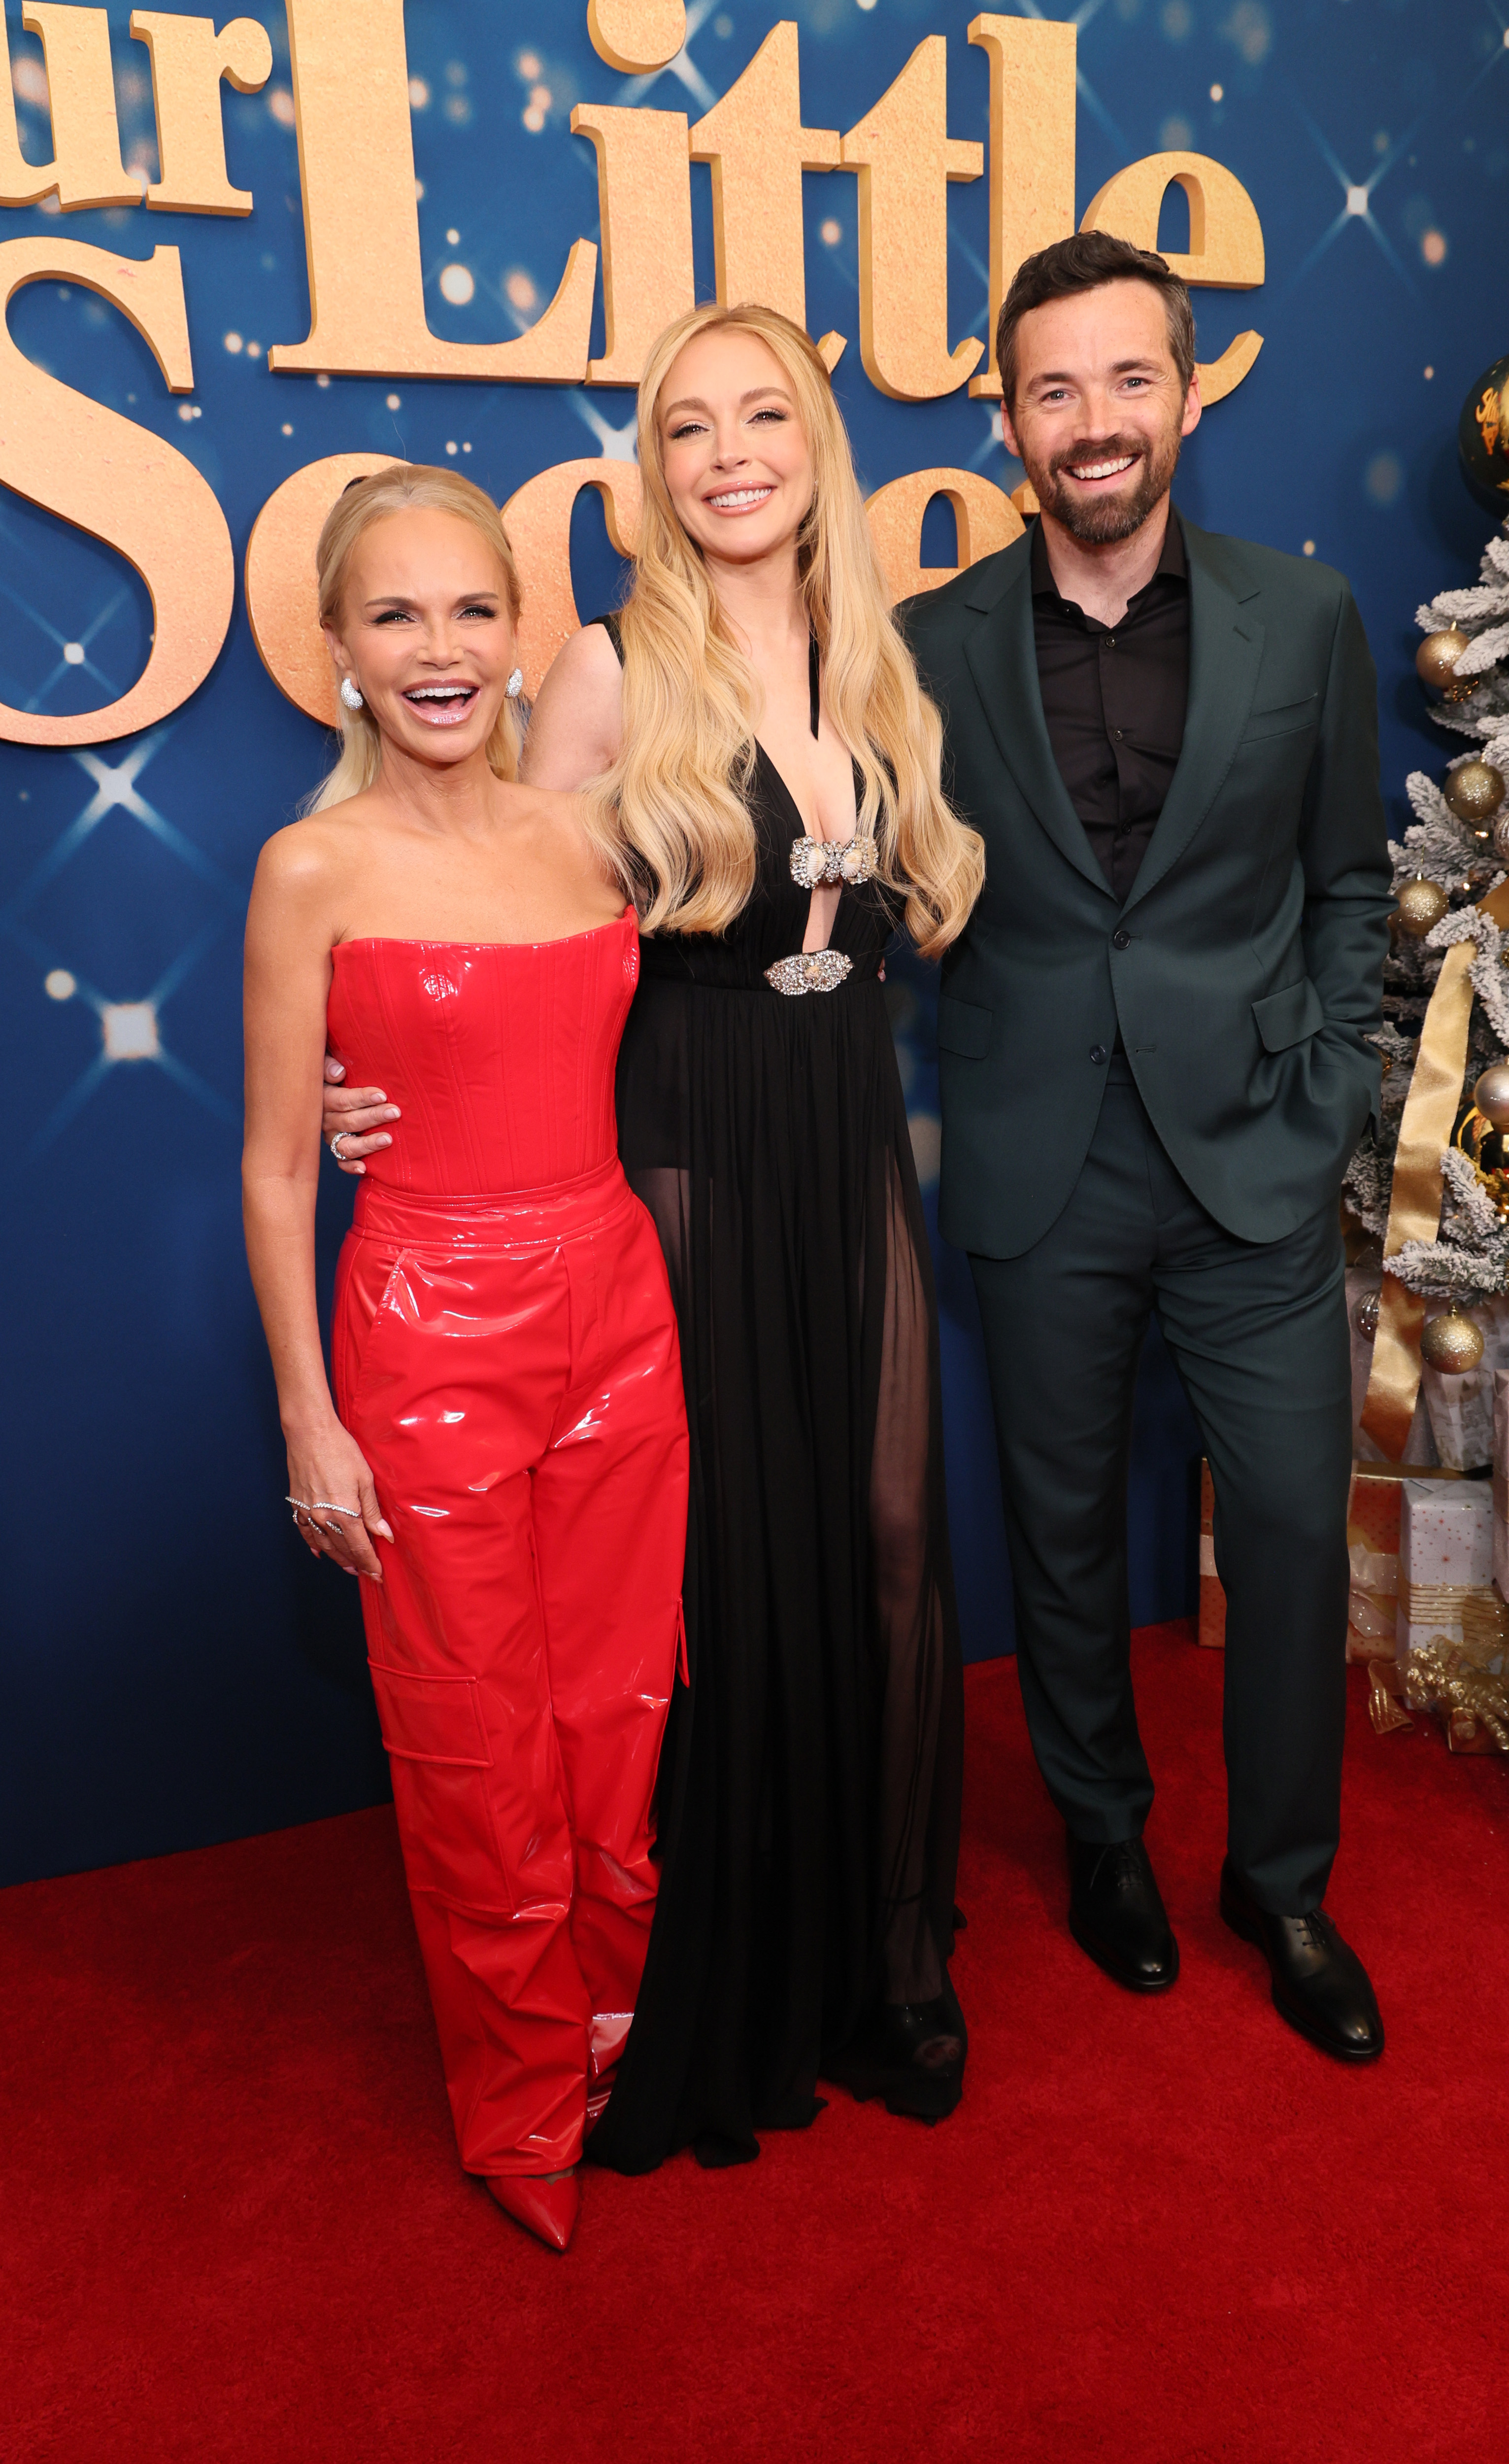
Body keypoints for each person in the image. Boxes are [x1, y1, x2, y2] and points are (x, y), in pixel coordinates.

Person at [323, 306, 985, 2169]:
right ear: (652, 470)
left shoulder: (883, 662)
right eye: (689, 428)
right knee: (727, 1572)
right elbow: (478, 915)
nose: (729, 455)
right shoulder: (611, 673)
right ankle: (741, 1962)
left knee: (886, 1534)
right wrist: (346, 1078)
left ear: (817, 440)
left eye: (763, 414)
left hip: (846, 1131)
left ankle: (891, 1949)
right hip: (685, 1151)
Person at [899, 231, 1392, 2061]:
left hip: (1255, 1160)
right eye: (1053, 389)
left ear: (1189, 395)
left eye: (1129, 380)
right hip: (1039, 1166)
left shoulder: (1305, 618)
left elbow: (1351, 881)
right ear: (1006, 417)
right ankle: (1103, 1839)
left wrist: (1331, 1085)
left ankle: (1282, 1880)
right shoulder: (925, 646)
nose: (1092, 422)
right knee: (1063, 1530)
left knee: (1279, 1531)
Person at [241, 465, 689, 2251]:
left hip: (618, 1309)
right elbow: (279, 1162)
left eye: (472, 610)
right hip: (424, 1334)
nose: (439, 649)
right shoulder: (313, 867)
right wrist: (310, 1419)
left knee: (616, 1719)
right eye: (396, 616)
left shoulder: (595, 835)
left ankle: (618, 2027)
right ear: (342, 652)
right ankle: (519, 2111)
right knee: (475, 1747)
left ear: (521, 639)